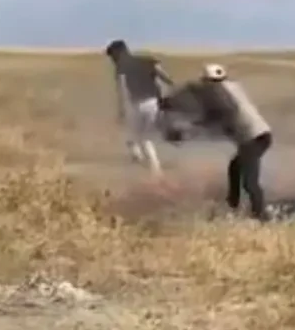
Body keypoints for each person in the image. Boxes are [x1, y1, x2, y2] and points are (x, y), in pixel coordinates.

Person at [164, 63, 274, 221]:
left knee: (249, 182)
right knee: (235, 168)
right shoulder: (232, 87)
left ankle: (261, 215)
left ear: (207, 81)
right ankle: (234, 205)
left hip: (253, 139)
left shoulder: (217, 95)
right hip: (261, 134)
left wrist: (185, 130)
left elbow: (214, 117)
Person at [105, 39, 175, 176]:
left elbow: (122, 89)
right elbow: (165, 77)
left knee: (142, 137)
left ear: (117, 54)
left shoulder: (121, 67)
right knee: (141, 135)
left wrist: (122, 109)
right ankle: (139, 159)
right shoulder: (147, 60)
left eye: (112, 56)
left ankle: (155, 171)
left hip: (139, 105)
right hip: (156, 103)